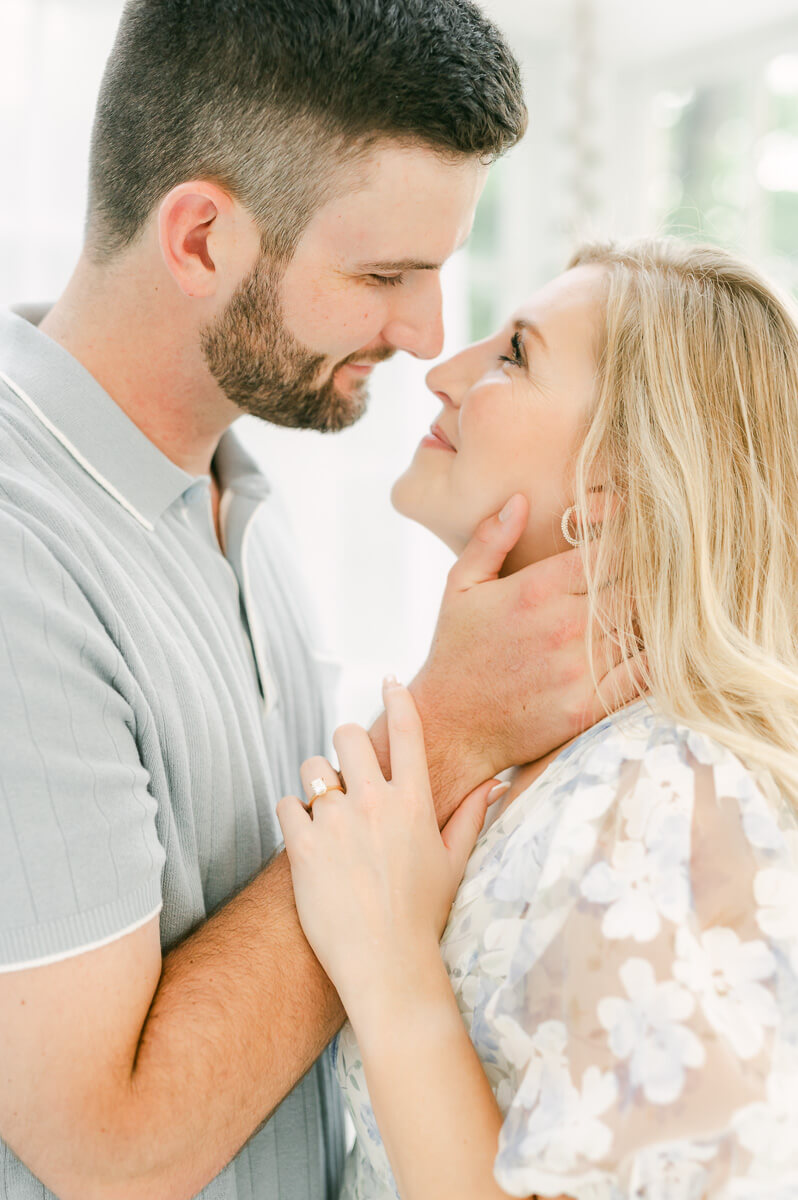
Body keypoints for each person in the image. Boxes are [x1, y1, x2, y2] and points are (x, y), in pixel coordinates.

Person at [0, 3, 647, 1199]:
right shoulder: (18, 552)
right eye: (384, 275)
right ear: (200, 237)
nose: (425, 334)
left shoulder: (245, 508)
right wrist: (451, 731)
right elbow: (108, 1148)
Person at [279, 238, 798, 1200]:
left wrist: (392, 969)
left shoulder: (669, 796)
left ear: (619, 490)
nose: (441, 372)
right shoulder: (579, 769)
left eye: (515, 354)